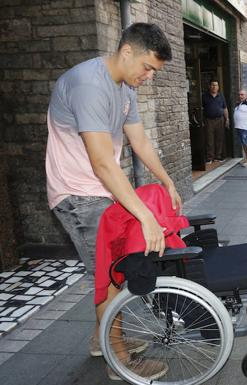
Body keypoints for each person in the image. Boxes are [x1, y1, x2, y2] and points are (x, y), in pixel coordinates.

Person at [45, 22, 180, 380]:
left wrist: (167, 181)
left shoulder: (125, 89)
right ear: (126, 52)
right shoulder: (89, 86)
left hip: (100, 191)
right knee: (109, 277)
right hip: (78, 194)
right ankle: (119, 360)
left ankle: (100, 338)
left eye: (154, 70)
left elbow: (141, 142)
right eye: (147, 67)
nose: (149, 76)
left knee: (111, 271)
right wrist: (147, 218)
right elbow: (104, 163)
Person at [203, 79, 229, 163]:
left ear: (218, 87)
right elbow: (201, 108)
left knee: (219, 138)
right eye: (213, 85)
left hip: (220, 120)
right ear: (210, 86)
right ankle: (210, 158)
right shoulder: (205, 96)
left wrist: (227, 119)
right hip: (209, 120)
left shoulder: (221, 96)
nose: (214, 87)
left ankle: (218, 156)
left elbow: (225, 108)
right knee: (209, 139)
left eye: (216, 85)